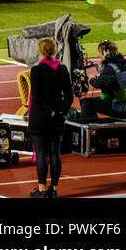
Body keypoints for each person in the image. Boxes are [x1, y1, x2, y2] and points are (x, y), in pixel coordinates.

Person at [27, 36, 72, 198]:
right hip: (57, 119)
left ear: (40, 51)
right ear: (54, 50)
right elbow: (69, 95)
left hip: (40, 117)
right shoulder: (62, 69)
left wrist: (49, 111)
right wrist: (61, 111)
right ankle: (53, 188)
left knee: (41, 153)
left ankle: (41, 189)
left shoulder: (36, 71)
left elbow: (37, 96)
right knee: (55, 153)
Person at [81, 40, 126, 122]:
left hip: (118, 109)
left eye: (100, 52)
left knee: (86, 103)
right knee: (93, 102)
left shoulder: (110, 67)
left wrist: (91, 79)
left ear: (106, 53)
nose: (99, 55)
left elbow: (98, 84)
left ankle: (87, 129)